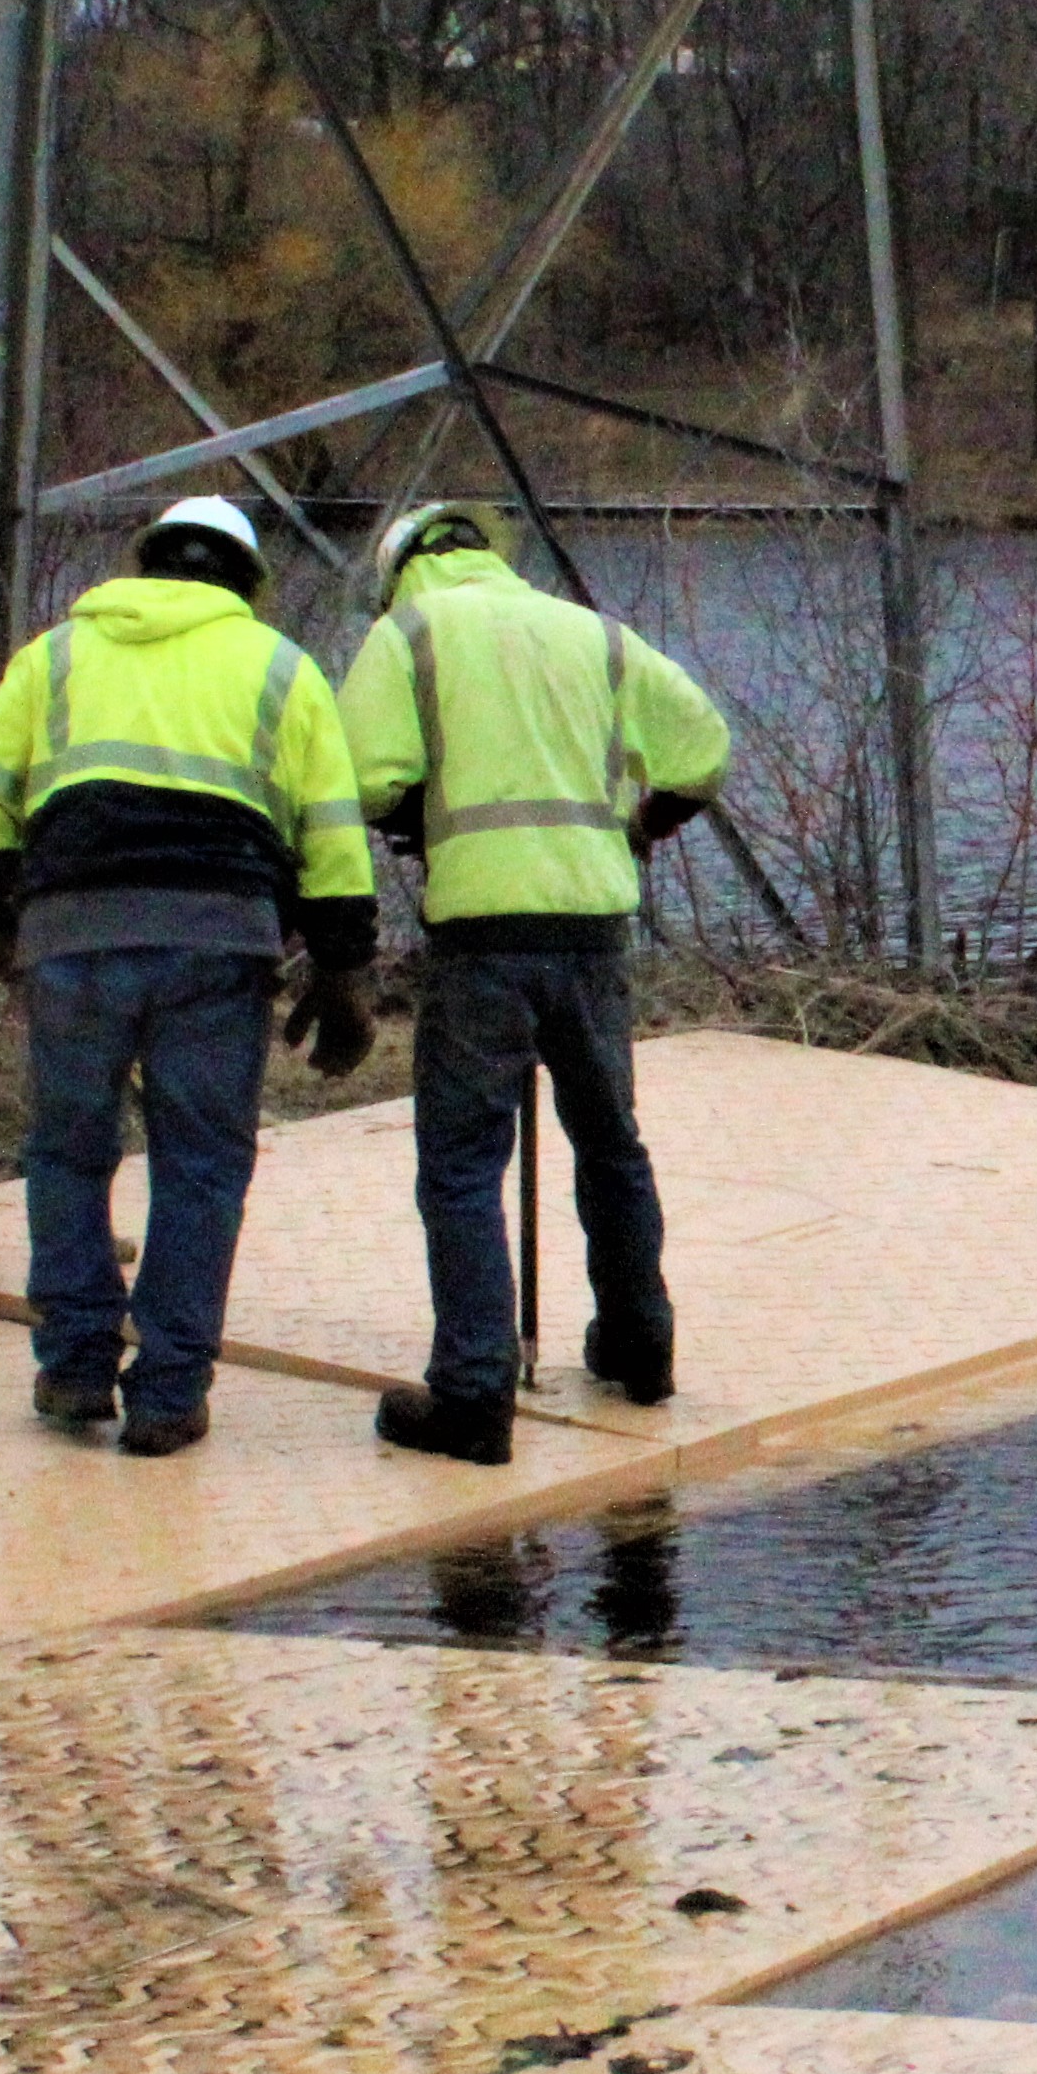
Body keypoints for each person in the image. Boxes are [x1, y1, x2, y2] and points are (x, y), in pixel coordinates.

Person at [0, 493, 380, 1455]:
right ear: (247, 585)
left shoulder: (54, 656)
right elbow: (334, 842)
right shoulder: (282, 669)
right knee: (202, 1164)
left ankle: (75, 1368)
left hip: (72, 937)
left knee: (67, 1152)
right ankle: (170, 1394)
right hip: (219, 944)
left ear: (143, 565)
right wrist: (343, 978)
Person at [340, 502, 731, 1461]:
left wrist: (417, 817)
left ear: (399, 573)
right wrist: (639, 829)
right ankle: (641, 1348)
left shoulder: (408, 635)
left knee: (465, 1167)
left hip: (482, 936)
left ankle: (474, 1394)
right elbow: (703, 753)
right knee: (610, 1140)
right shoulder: (592, 633)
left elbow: (360, 776)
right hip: (592, 927)